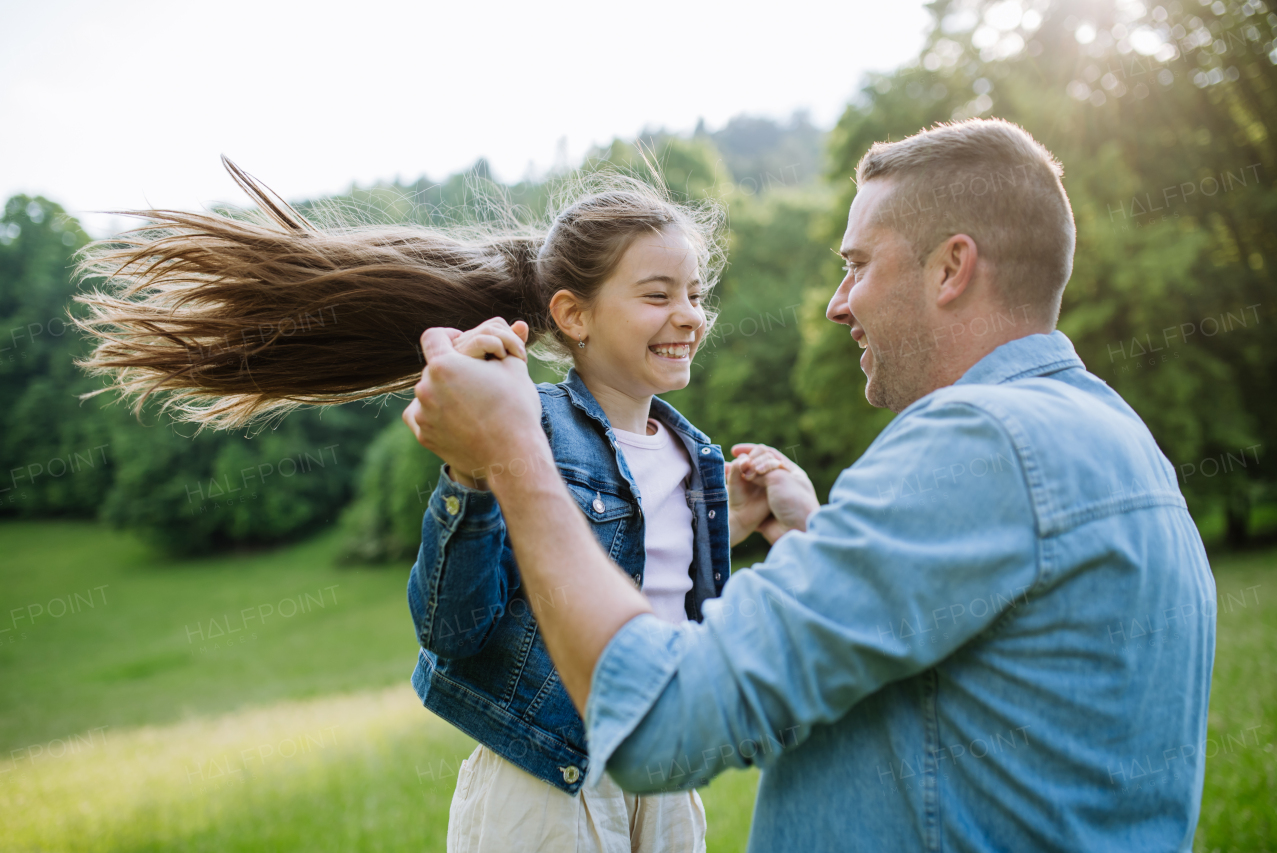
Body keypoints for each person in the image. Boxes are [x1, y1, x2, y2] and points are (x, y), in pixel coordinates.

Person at [401, 118, 1217, 852]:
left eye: (857, 265)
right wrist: (809, 538)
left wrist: (510, 454)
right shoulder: (1118, 441)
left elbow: (659, 720)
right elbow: (924, 678)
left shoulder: (985, 442)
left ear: (951, 268)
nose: (835, 302)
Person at [71, 163, 811, 852]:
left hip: (662, 772)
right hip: (547, 777)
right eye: (658, 294)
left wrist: (732, 518)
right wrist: (469, 473)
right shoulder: (527, 425)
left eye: (695, 294)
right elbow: (452, 628)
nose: (689, 315)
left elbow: (637, 567)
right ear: (573, 315)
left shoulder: (696, 456)